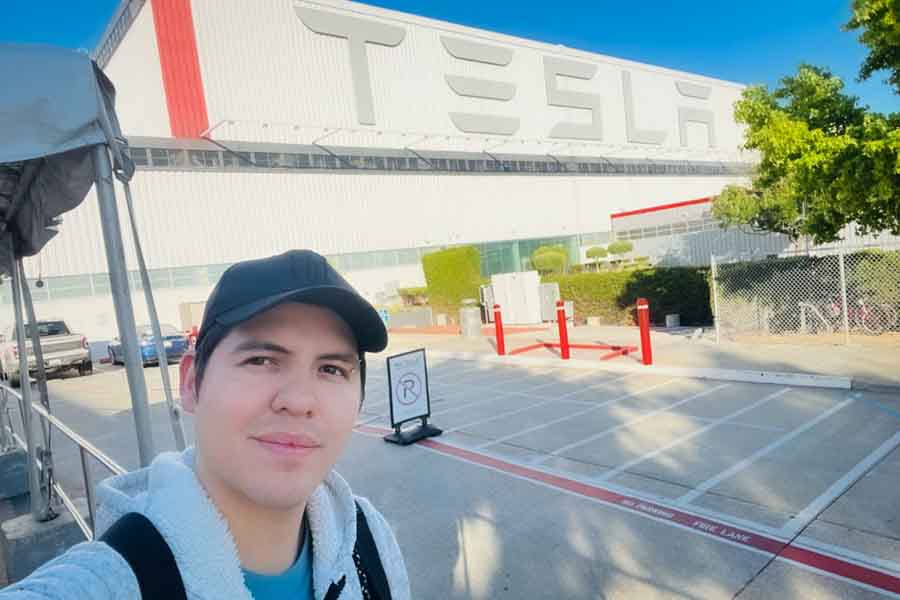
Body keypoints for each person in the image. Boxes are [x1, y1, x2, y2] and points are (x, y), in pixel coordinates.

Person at [3, 249, 410, 599]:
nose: (300, 401)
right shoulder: (113, 579)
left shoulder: (367, 538)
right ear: (192, 384)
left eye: (332, 369)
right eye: (261, 361)